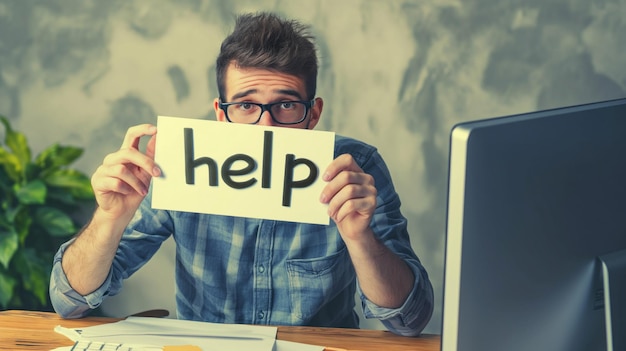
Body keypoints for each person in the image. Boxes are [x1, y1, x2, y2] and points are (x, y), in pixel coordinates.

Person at [49, 12, 434, 337]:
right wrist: (110, 217)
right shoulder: (182, 163)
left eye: (285, 104)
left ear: (312, 113)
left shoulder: (355, 168)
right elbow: (70, 300)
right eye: (246, 106)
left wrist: (360, 238)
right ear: (222, 112)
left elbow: (409, 320)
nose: (265, 125)